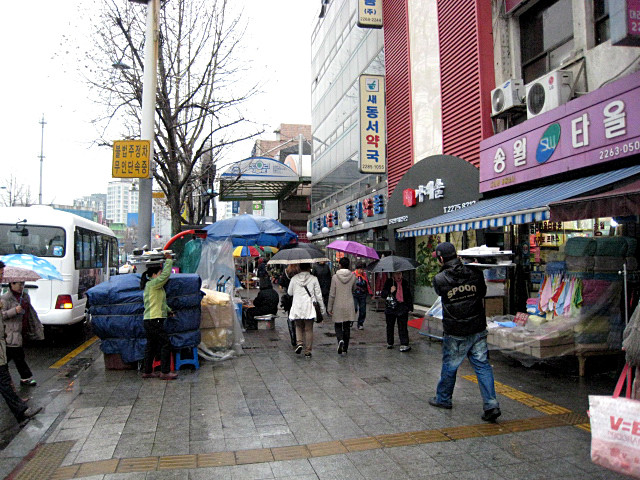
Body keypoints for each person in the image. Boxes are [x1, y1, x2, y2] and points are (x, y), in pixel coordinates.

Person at [429, 241, 501, 422]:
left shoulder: (440, 279)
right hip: (477, 327)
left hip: (456, 330)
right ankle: (491, 404)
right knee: (482, 366)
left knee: (450, 365)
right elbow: (482, 292)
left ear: (441, 258)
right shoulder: (475, 272)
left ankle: (444, 398)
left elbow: (441, 293)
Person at [0, 261, 42, 425]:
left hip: (4, 342)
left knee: (4, 380)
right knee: (4, 380)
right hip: (5, 343)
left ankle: (21, 412)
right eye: (1, 273)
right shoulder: (5, 298)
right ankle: (21, 411)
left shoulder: (23, 297)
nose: (2, 276)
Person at [140, 253, 177, 380]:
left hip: (150, 320)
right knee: (165, 344)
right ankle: (165, 372)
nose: (162, 275)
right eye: (160, 273)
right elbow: (166, 275)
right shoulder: (153, 284)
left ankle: (147, 371)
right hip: (154, 320)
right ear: (154, 275)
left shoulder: (155, 287)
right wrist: (169, 261)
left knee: (151, 345)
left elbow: (161, 303)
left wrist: (169, 311)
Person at [1, 281, 45, 386]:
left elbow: (29, 312)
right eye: (19, 284)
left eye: (23, 284)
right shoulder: (5, 298)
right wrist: (14, 311)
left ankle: (21, 378)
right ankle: (25, 378)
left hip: (21, 332)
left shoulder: (25, 297)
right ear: (12, 284)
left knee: (12, 357)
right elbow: (1, 315)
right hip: (10, 334)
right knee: (18, 357)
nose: (21, 287)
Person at [288, 263, 326, 358]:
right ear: (309, 268)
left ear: (299, 268)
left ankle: (299, 343)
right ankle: (308, 350)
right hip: (309, 307)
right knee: (309, 329)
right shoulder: (314, 279)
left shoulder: (294, 279)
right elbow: (318, 295)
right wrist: (322, 308)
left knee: (298, 326)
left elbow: (290, 292)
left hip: (297, 306)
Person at [328, 257, 356, 355]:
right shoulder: (353, 276)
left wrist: (329, 308)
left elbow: (332, 294)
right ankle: (345, 348)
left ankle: (340, 339)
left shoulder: (335, 277)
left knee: (338, 324)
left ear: (340, 265)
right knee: (347, 326)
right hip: (349, 303)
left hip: (338, 304)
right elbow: (354, 289)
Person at [380, 271, 414, 352]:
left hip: (402, 306)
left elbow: (408, 295)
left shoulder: (405, 282)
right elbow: (383, 294)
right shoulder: (389, 282)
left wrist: (409, 307)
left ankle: (404, 343)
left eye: (400, 274)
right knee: (390, 325)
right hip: (391, 307)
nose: (399, 276)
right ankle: (390, 342)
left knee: (403, 326)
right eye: (397, 274)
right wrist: (390, 291)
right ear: (393, 274)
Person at [353, 261, 372, 330]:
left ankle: (360, 323)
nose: (361, 271)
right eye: (360, 269)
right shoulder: (353, 274)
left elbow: (368, 285)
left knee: (363, 310)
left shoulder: (364, 276)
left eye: (362, 269)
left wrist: (371, 293)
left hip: (363, 294)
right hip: (354, 294)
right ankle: (351, 320)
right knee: (354, 308)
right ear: (357, 269)